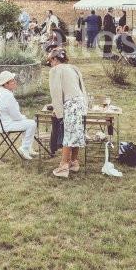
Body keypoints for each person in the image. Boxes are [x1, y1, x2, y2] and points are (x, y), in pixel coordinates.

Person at [47, 47, 87, 178]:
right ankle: (74, 162)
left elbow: (56, 92)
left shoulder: (55, 70)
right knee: (77, 132)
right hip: (80, 102)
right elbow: (82, 88)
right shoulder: (74, 68)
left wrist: (58, 112)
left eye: (50, 61)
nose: (50, 64)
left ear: (54, 59)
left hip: (70, 104)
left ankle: (64, 166)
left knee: (68, 134)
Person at [0, 71, 37, 159]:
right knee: (32, 124)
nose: (15, 82)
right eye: (12, 81)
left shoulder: (0, 92)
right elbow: (16, 116)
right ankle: (24, 148)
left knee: (28, 123)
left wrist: (22, 118)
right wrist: (23, 117)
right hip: (6, 124)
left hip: (2, 122)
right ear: (6, 84)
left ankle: (28, 147)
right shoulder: (7, 96)